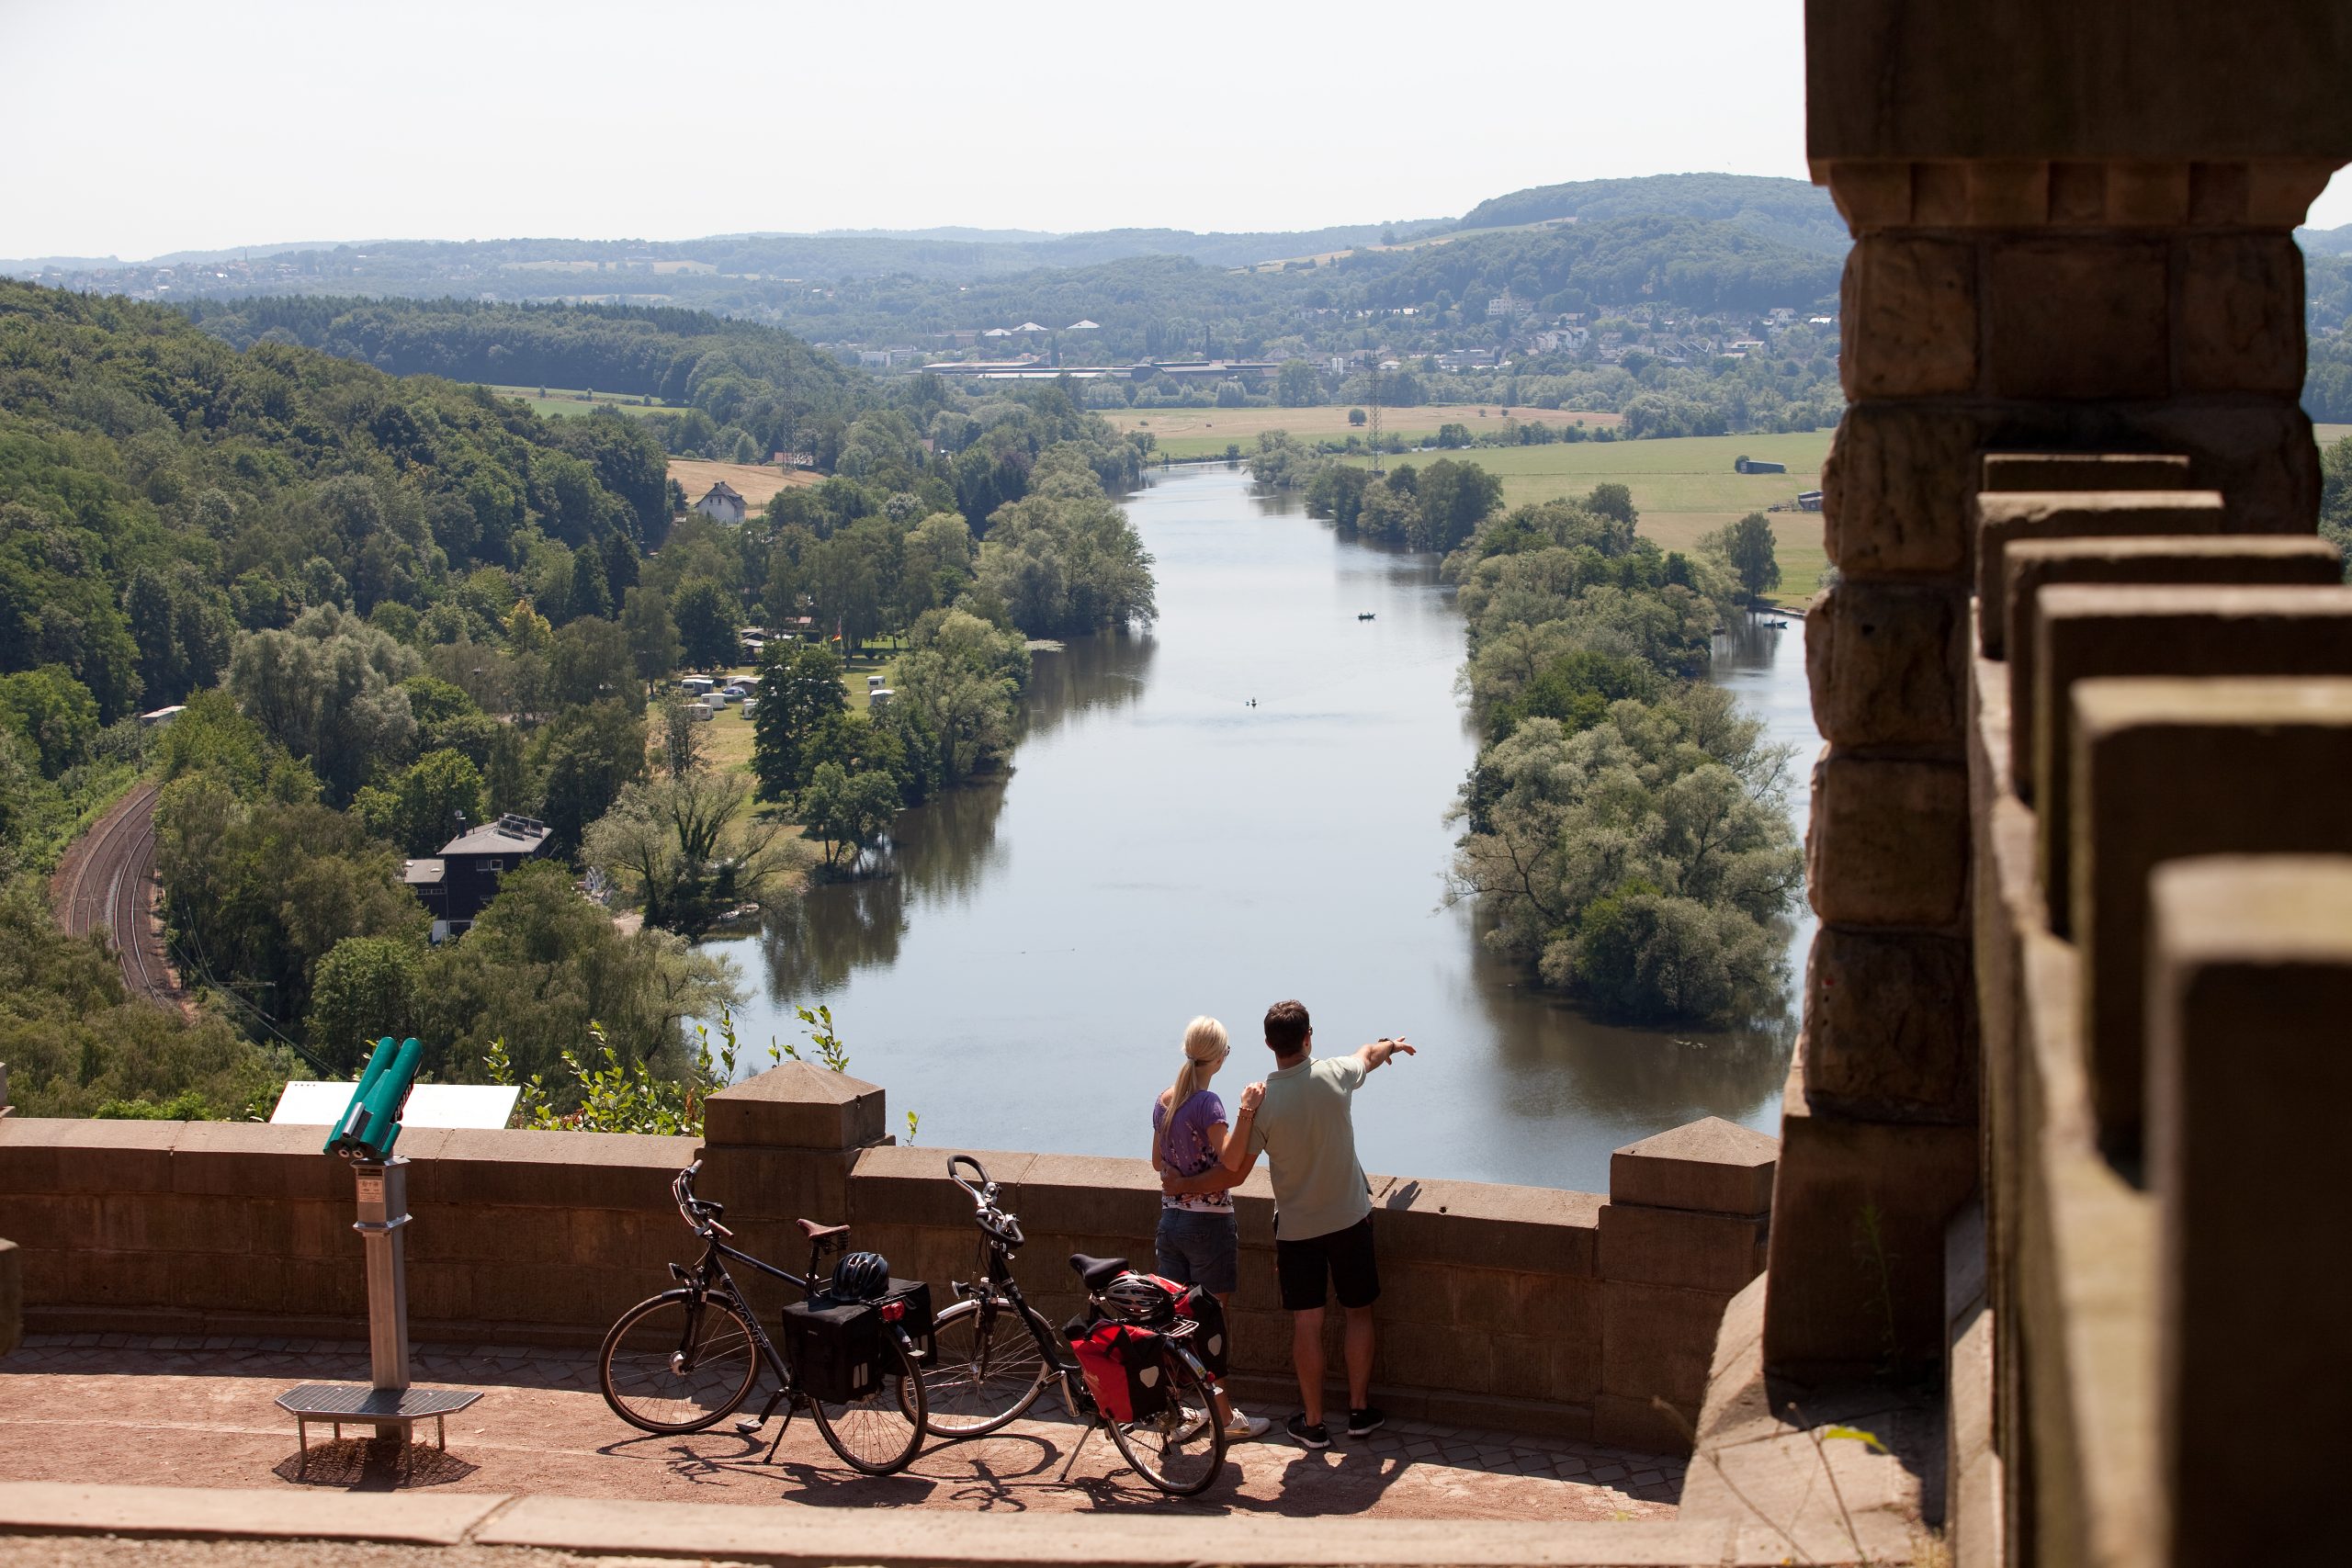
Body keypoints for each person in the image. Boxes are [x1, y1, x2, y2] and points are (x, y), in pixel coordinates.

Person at [1163, 998, 1416, 1450]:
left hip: (1297, 1229)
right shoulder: (1337, 1074)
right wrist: (1390, 1045)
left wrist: (1185, 1182)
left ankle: (1314, 1422)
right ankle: (1359, 1412)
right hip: (1350, 1218)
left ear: (1267, 1044)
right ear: (1308, 1036)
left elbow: (1234, 1170)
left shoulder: (1264, 1102)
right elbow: (1367, 1056)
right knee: (1359, 1312)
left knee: (1307, 1323)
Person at [1148, 1016, 1271, 1442]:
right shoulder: (1209, 1104)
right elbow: (1232, 1160)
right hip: (1209, 1226)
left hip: (1171, 1223)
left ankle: (1178, 1414)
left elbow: (1156, 1163)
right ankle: (1225, 1417)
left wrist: (1181, 1179)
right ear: (1218, 1057)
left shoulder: (1164, 1100)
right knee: (1208, 1326)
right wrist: (1248, 1111)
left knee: (1171, 1322)